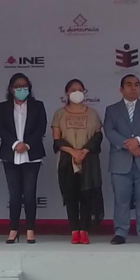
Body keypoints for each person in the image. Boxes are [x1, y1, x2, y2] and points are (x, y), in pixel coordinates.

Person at [104, 75, 140, 246]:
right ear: (121, 89)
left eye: (136, 84)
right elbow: (109, 131)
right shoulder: (112, 109)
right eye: (129, 85)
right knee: (121, 200)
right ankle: (121, 232)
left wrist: (138, 141)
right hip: (120, 161)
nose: (133, 88)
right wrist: (128, 145)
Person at [0, 73, 46, 244]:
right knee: (14, 195)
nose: (21, 89)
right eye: (17, 87)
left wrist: (27, 144)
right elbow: (0, 128)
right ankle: (13, 229)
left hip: (32, 155)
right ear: (11, 89)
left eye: (24, 86)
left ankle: (30, 229)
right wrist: (15, 143)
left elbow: (41, 128)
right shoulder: (3, 107)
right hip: (10, 155)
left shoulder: (38, 106)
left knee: (30, 194)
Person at [52, 79, 104, 245]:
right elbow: (57, 139)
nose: (77, 92)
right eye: (73, 90)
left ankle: (84, 230)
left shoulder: (92, 113)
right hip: (67, 160)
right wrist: (73, 152)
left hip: (88, 160)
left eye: (80, 89)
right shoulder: (59, 114)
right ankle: (74, 230)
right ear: (67, 93)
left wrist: (84, 151)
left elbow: (98, 136)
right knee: (71, 196)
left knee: (87, 196)